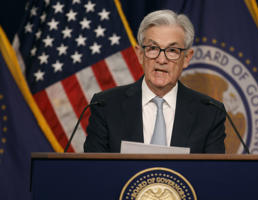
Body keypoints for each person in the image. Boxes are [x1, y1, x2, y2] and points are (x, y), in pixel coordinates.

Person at [84, 10, 226, 153]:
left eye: (172, 50)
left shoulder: (209, 113)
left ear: (187, 58)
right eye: (153, 48)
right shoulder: (105, 106)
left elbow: (213, 174)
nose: (161, 60)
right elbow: (94, 171)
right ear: (140, 54)